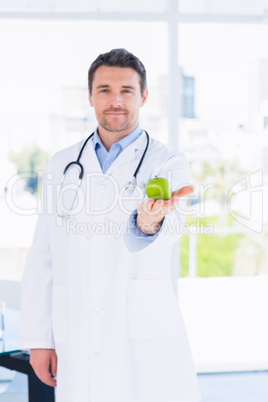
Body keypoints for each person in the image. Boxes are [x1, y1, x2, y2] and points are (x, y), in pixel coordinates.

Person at [20, 48, 201, 402]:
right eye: (104, 90)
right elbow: (43, 254)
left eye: (127, 91)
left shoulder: (167, 161)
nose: (115, 100)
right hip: (77, 328)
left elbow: (175, 225)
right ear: (90, 96)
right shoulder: (63, 164)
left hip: (142, 328)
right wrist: (39, 341)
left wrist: (148, 224)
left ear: (144, 96)